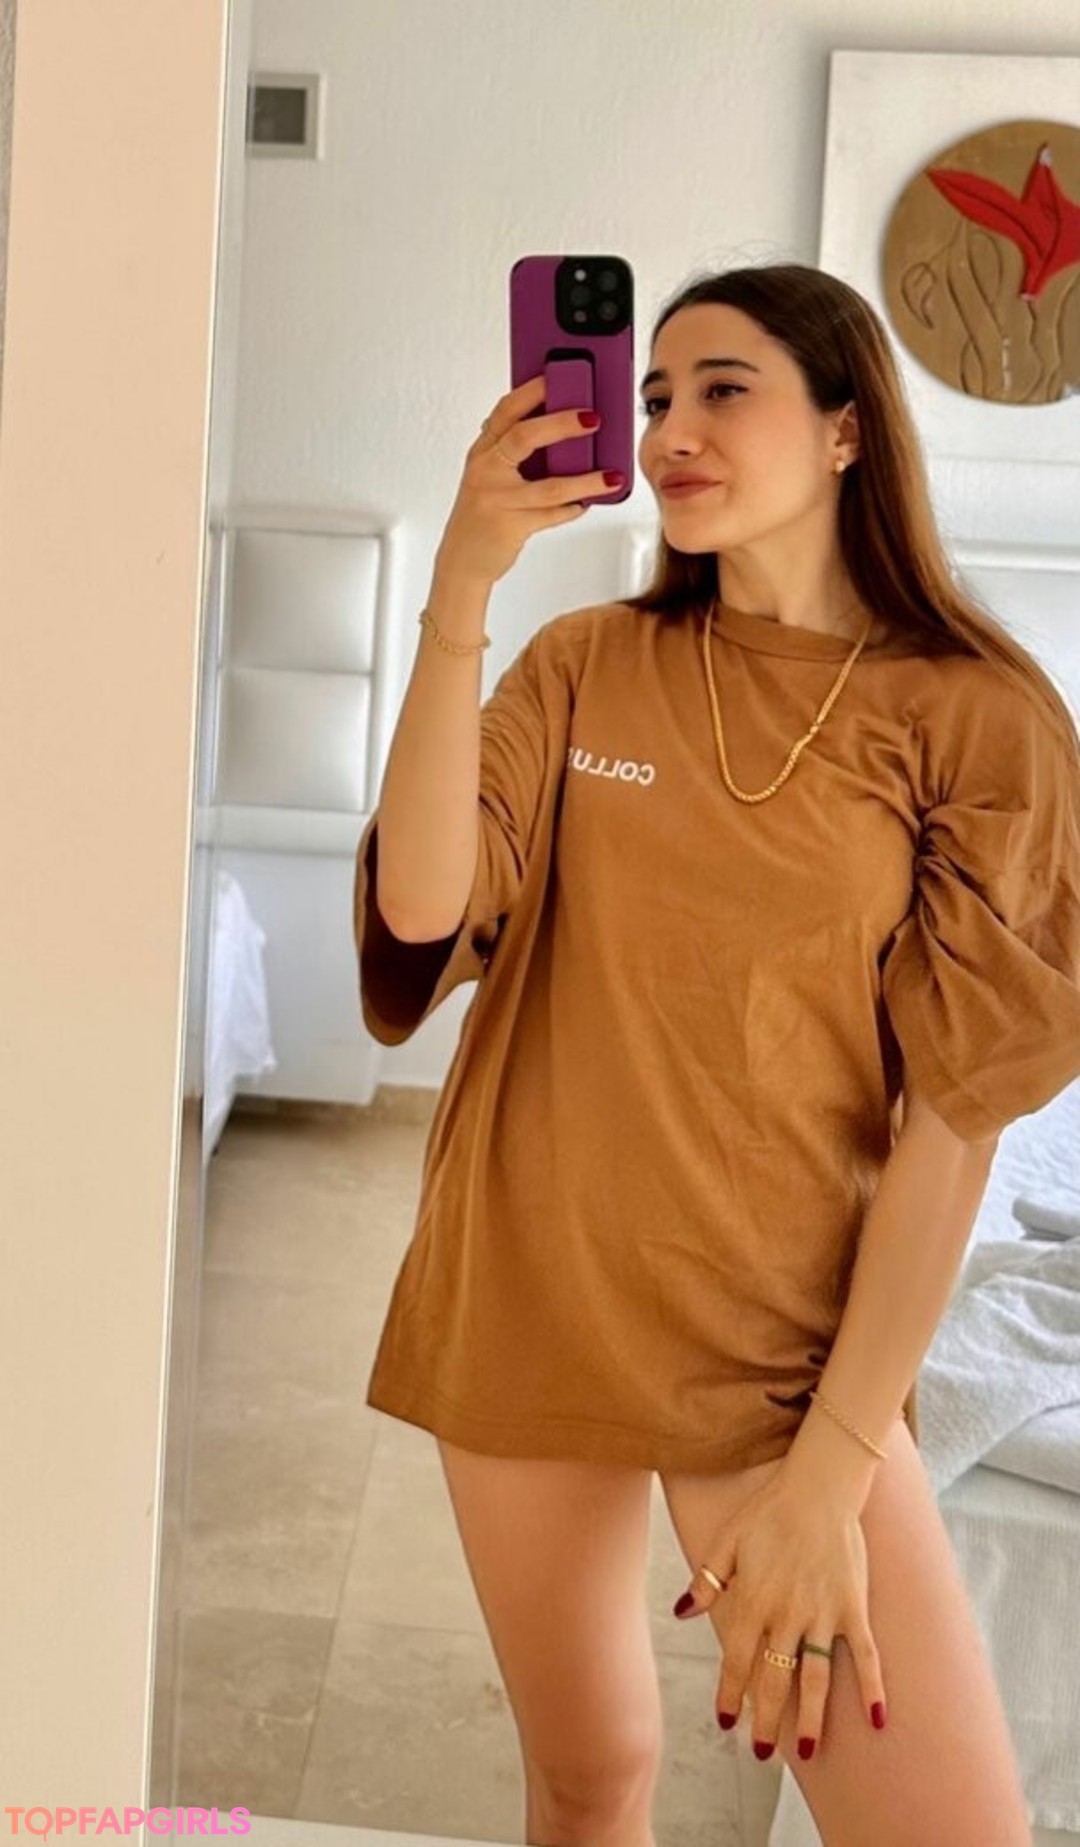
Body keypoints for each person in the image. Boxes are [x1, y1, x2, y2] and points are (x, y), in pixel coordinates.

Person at [352, 262, 1080, 1846]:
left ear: (844, 429)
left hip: (784, 1355)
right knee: (586, 1782)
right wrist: (464, 586)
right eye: (655, 394)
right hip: (530, 1293)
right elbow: (420, 900)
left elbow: (958, 1118)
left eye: (723, 389)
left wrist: (833, 1471)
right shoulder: (581, 664)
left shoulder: (977, 718)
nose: (672, 427)